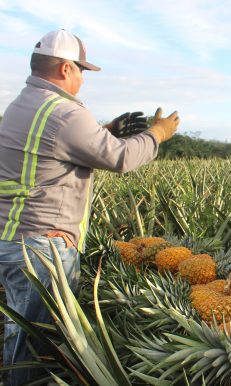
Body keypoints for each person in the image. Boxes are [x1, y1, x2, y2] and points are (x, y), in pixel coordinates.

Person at [0, 29, 179, 385]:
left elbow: (54, 149)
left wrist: (106, 128)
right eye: (81, 70)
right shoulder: (64, 112)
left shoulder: (24, 103)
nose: (83, 78)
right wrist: (159, 133)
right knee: (37, 343)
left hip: (14, 237)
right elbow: (122, 158)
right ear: (65, 69)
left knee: (22, 334)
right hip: (42, 246)